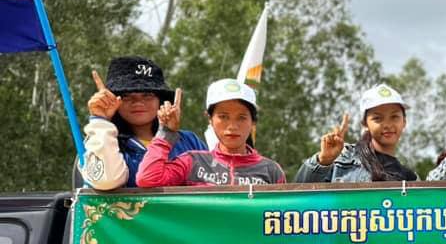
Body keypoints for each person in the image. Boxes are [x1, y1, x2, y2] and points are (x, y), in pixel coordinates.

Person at [79, 56, 206, 189]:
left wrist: (167, 133)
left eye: (147, 95)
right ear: (113, 100)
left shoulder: (189, 141)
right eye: (126, 96)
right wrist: (100, 121)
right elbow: (106, 181)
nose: (138, 102)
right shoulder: (100, 141)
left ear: (160, 100)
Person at [136, 78, 285, 187]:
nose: (232, 126)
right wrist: (166, 132)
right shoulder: (193, 162)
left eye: (241, 117)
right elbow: (147, 178)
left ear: (253, 122)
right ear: (210, 119)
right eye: (223, 117)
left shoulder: (271, 170)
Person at [294, 83, 418, 182]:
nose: (387, 125)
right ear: (365, 124)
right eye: (377, 118)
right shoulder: (341, 161)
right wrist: (323, 160)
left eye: (394, 117)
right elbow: (297, 195)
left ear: (404, 122)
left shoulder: (410, 178)